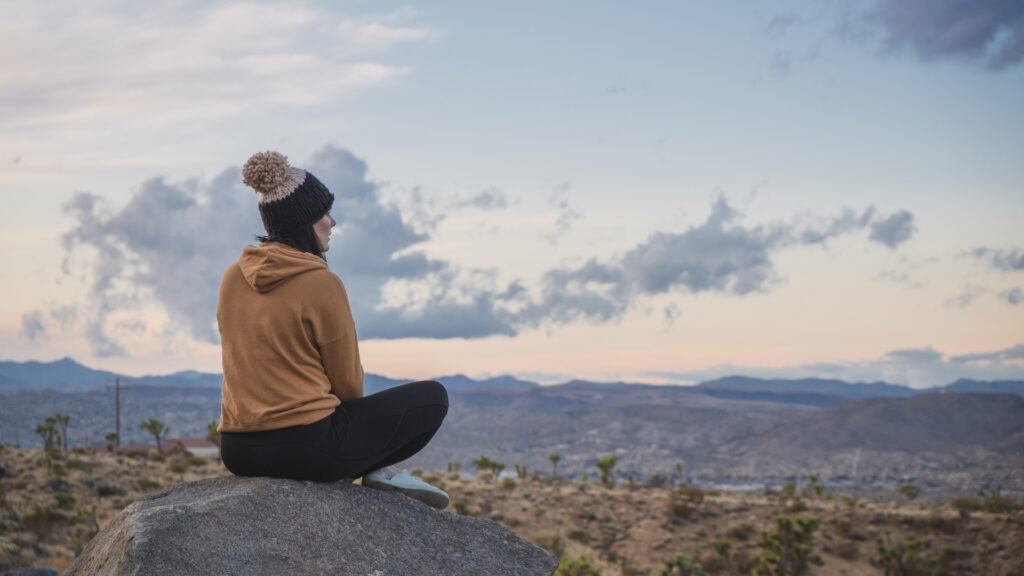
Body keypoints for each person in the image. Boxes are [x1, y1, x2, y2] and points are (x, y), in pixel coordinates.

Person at [216, 150, 450, 509]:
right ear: (303, 223)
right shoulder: (321, 282)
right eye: (324, 214)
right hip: (306, 448)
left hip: (237, 449)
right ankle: (377, 469)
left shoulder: (233, 276)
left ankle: (377, 467)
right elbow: (349, 386)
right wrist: (362, 442)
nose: (333, 222)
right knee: (434, 398)